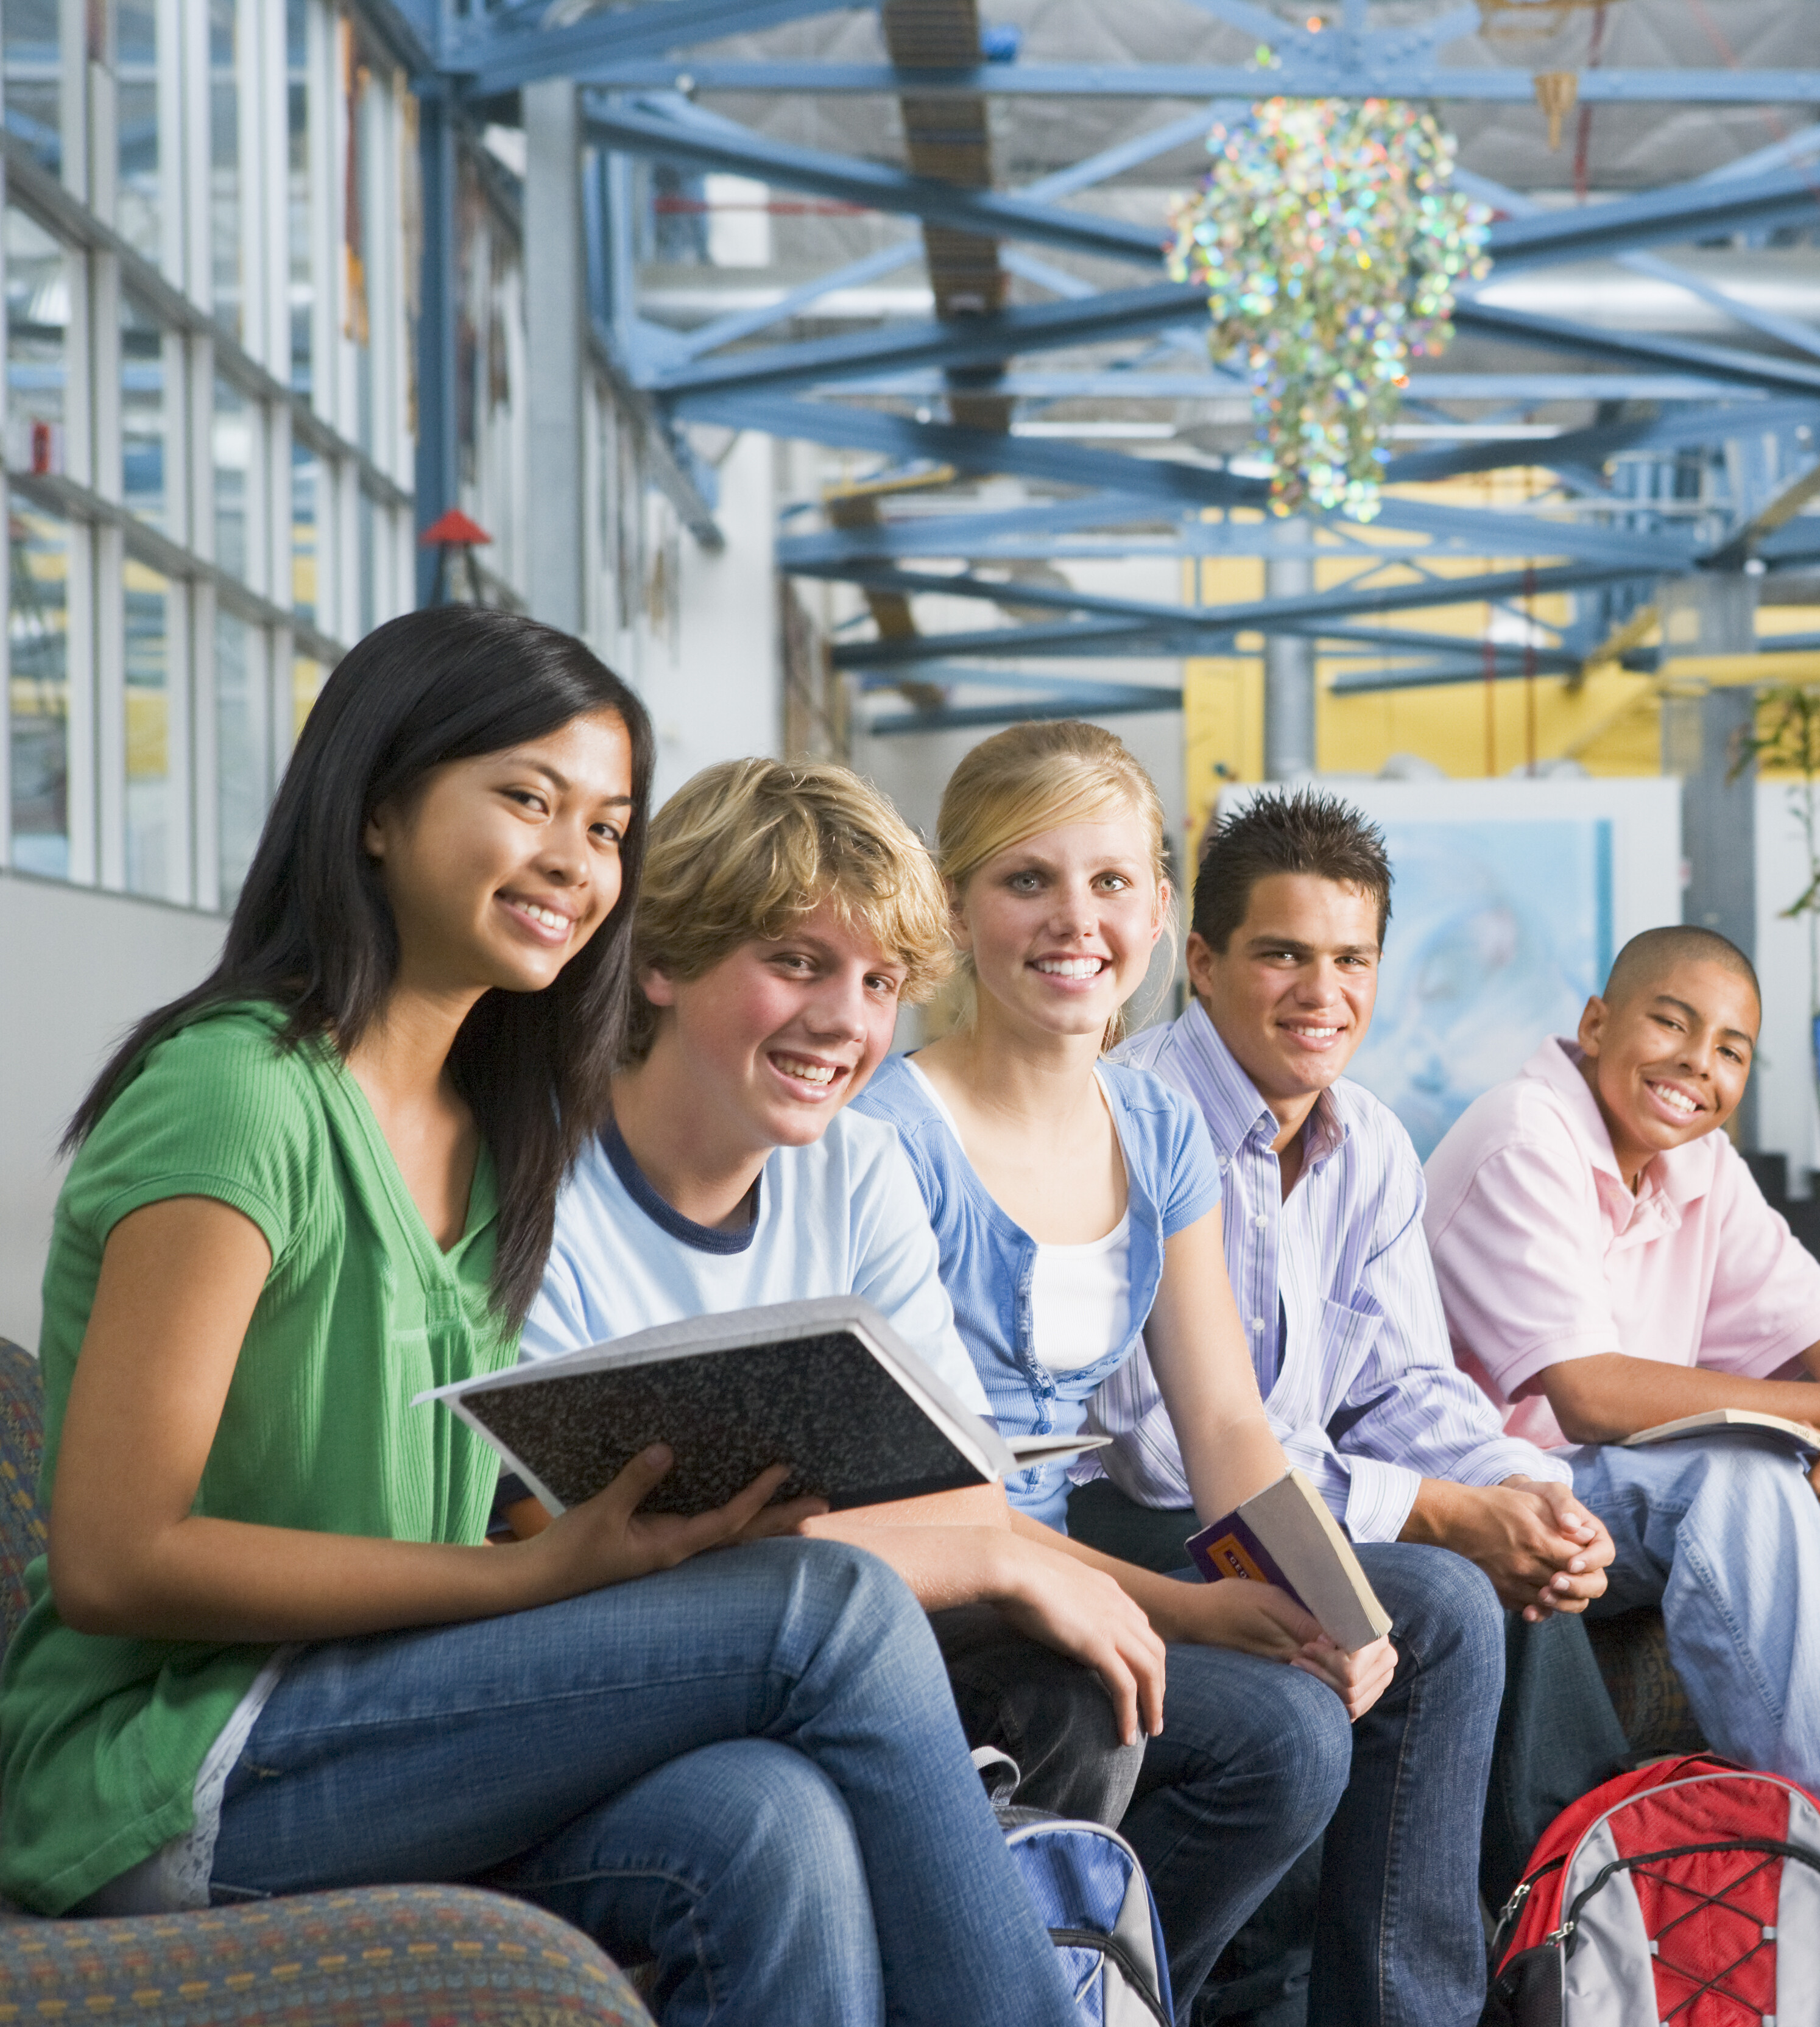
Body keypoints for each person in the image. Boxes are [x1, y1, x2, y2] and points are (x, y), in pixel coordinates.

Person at [0, 607, 1074, 2026]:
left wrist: (618, 1532)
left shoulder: (496, 1127)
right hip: (170, 1767)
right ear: (377, 808)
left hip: (382, 1705)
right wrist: (525, 1579)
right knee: (835, 1608)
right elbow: (114, 1559)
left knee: (768, 1818)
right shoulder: (238, 1096)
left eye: (609, 826)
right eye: (527, 797)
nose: (577, 858)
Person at [850, 721, 1505, 2027]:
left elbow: (1226, 1424)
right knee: (1282, 1738)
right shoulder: (887, 1138)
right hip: (938, 1586)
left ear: (1157, 910)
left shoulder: (1153, 1125)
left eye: (1109, 881)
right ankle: (1091, 1997)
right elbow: (935, 1507)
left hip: (1060, 1562)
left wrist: (1317, 1597)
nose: (1074, 919)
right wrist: (1198, 1612)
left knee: (1407, 1625)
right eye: (1026, 879)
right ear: (955, 906)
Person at [517, 756, 1159, 1825]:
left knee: (1083, 1694)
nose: (844, 1022)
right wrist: (990, 1563)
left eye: (878, 985)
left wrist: (976, 1552)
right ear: (662, 960)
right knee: (779, 1795)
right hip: (616, 1667)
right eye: (798, 963)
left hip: (824, 1631)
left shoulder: (857, 1166)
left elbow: (963, 1496)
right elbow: (555, 1539)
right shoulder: (539, 1181)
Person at [1427, 923, 1820, 2027]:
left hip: (1627, 1499)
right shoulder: (1526, 1134)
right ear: (1597, 1024)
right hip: (1503, 1504)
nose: (1696, 1063)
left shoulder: (1699, 1164)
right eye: (1671, 1023)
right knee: (1743, 1479)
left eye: (1731, 1049)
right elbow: (1590, 1395)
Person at [1107, 788, 1628, 1928]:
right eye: (1283, 955)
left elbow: (1405, 1388)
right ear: (1202, 963)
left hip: (1279, 1497)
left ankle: (1567, 1933)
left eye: (1352, 960)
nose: (1323, 993)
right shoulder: (1136, 1117)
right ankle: (1510, 1954)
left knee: (1533, 1558)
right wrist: (1437, 1511)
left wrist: (1522, 1492)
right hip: (1136, 1518)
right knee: (1445, 1587)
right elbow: (1160, 1452)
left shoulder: (1373, 1143)